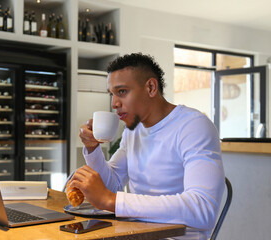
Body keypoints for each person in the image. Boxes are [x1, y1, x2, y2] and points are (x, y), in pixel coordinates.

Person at [69, 53, 225, 240]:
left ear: (151, 87)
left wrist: (112, 201)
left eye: (122, 92)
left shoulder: (193, 126)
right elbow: (113, 183)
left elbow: (203, 209)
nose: (114, 103)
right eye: (112, 94)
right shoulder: (133, 131)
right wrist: (93, 149)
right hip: (135, 234)